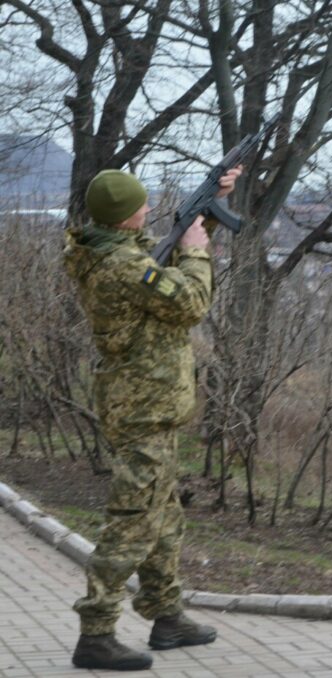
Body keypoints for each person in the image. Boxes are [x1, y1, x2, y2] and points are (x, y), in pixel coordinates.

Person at [63, 165, 242, 671]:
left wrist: (208, 204)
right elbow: (191, 302)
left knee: (163, 518)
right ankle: (96, 632)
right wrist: (197, 247)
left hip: (148, 405)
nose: (147, 210)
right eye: (140, 205)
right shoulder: (123, 266)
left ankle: (167, 617)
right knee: (133, 521)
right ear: (124, 218)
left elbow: (153, 259)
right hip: (142, 408)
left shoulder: (110, 249)